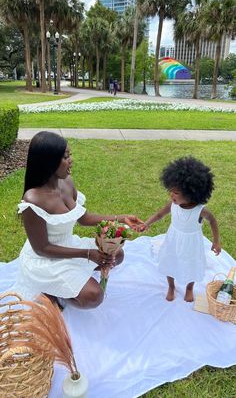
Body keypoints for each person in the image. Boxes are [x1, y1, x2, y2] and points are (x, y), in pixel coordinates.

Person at [14, 131, 143, 309]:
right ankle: (54, 293)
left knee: (117, 254)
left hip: (69, 245)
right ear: (49, 161)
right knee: (94, 296)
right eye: (65, 156)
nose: (71, 160)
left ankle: (61, 287)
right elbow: (42, 248)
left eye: (70, 155)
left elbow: (84, 218)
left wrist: (122, 218)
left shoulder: (67, 182)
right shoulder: (33, 199)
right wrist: (88, 254)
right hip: (46, 258)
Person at [139, 156, 221, 302]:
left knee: (192, 264)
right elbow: (159, 214)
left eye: (176, 193)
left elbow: (213, 221)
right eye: (170, 190)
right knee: (170, 261)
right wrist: (146, 223)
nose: (171, 195)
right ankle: (171, 286)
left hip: (192, 243)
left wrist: (216, 242)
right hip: (173, 239)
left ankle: (189, 288)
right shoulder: (172, 204)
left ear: (191, 193)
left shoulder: (201, 211)